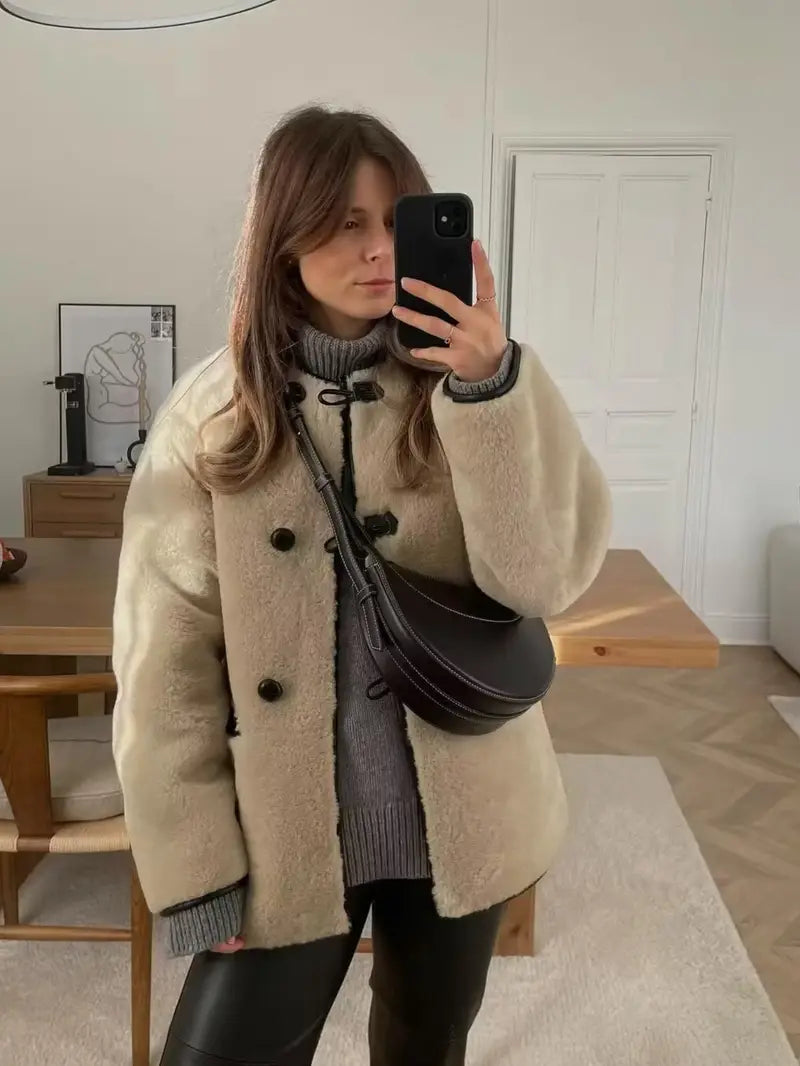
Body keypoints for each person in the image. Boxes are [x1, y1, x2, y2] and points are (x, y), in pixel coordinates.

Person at [112, 105, 612, 1066]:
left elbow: (542, 581)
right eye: (346, 223)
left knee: (425, 1046)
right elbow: (161, 661)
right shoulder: (211, 415)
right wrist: (196, 866)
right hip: (287, 825)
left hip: (462, 811)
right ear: (283, 237)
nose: (379, 249)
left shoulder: (486, 381)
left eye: (395, 219)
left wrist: (488, 389)